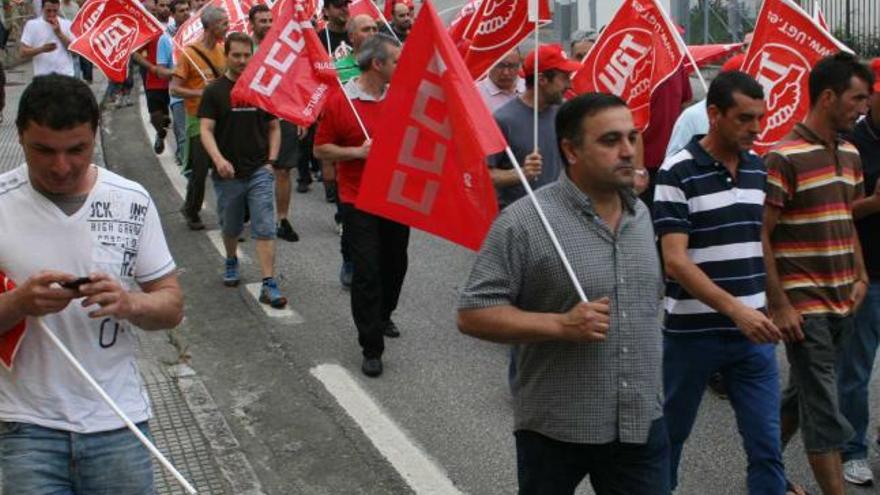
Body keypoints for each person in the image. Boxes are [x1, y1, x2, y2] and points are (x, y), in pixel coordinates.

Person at [457, 92, 668, 495]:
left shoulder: (642, 216)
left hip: (641, 423)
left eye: (632, 137)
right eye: (610, 141)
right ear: (570, 150)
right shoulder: (525, 221)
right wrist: (559, 324)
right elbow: (473, 313)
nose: (627, 151)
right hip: (557, 428)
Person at [0, 74, 183, 494]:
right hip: (28, 427)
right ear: (19, 136)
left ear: (95, 135)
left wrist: (129, 303)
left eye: (76, 150)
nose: (60, 167)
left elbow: (171, 306)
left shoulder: (130, 199)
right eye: (43, 151)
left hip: (118, 421)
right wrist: (19, 302)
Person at [654, 71, 793, 494]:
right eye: (745, 118)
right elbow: (675, 262)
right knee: (668, 439)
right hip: (691, 336)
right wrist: (737, 310)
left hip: (753, 338)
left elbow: (757, 240)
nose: (757, 128)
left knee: (767, 446)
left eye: (761, 117)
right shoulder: (675, 173)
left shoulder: (757, 169)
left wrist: (775, 303)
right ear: (713, 114)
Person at [762, 52, 873, 495]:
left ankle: (762, 467)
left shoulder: (850, 152)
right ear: (828, 97)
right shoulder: (783, 157)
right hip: (803, 303)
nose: (863, 107)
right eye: (857, 97)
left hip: (844, 295)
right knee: (824, 403)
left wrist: (861, 275)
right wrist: (780, 303)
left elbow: (846, 220)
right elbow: (762, 236)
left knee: (802, 395)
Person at [314, 34, 405, 377]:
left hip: (395, 196)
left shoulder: (400, 97)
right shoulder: (341, 101)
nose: (401, 67)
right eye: (396, 61)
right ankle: (371, 346)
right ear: (377, 64)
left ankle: (382, 316)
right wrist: (356, 153)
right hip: (357, 197)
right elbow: (321, 149)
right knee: (367, 271)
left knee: (395, 264)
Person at [198, 32, 287, 308]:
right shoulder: (214, 91)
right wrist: (219, 159)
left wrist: (271, 161)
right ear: (227, 55)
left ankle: (268, 282)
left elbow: (274, 127)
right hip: (228, 174)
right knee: (231, 224)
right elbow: (206, 130)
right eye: (236, 55)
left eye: (247, 55)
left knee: (264, 225)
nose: (241, 60)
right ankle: (231, 259)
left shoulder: (261, 89)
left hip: (259, 170)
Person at [837, 57, 880, 487]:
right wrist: (872, 204)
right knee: (856, 368)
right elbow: (834, 209)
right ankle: (853, 448)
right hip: (866, 272)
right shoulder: (850, 143)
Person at [487, 44, 579, 210]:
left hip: (561, 215)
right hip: (519, 222)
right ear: (542, 79)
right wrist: (521, 173)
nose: (569, 85)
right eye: (564, 77)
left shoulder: (565, 113)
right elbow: (485, 175)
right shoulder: (503, 120)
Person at [170, 5, 227, 231]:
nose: (227, 27)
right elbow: (174, 89)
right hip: (197, 119)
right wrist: (200, 93)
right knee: (201, 169)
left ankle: (229, 217)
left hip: (221, 119)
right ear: (211, 27)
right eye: (223, 23)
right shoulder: (189, 54)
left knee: (226, 169)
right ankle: (191, 209)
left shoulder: (223, 51)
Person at [158, 0, 191, 167]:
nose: (186, 13)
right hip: (178, 96)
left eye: (187, 10)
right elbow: (161, 71)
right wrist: (179, 71)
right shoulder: (165, 39)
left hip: (199, 94)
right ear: (172, 14)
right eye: (181, 11)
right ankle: (188, 169)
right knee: (184, 136)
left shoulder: (198, 34)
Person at [19, 0, 74, 77]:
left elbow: (74, 52)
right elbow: (23, 52)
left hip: (66, 74)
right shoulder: (32, 25)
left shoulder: (67, 24)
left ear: (58, 8)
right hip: (43, 76)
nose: (52, 14)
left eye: (55, 11)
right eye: (48, 11)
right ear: (42, 9)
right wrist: (42, 49)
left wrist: (59, 33)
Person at [476, 49, 525, 114]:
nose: (506, 72)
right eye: (500, 66)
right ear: (489, 65)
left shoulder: (532, 89)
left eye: (512, 66)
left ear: (519, 66)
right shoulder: (475, 94)